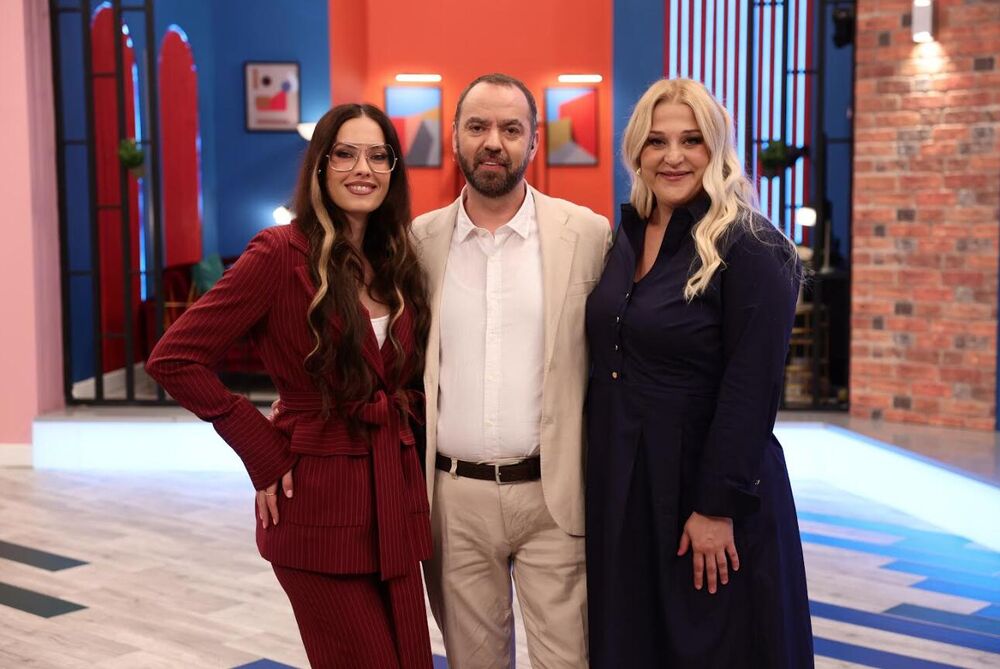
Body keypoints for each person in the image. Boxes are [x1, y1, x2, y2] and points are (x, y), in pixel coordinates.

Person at [145, 104, 434, 669]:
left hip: (394, 503)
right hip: (316, 506)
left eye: (378, 156)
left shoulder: (398, 259)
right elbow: (174, 358)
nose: (363, 169)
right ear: (320, 166)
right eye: (345, 154)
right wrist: (263, 450)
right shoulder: (279, 253)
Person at [584, 78, 814, 667]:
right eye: (656, 141)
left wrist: (717, 506)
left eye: (692, 140)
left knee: (712, 647)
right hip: (628, 485)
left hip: (705, 485)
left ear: (717, 148)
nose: (673, 156)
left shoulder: (753, 247)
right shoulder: (626, 235)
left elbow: (751, 390)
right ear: (636, 151)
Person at [411, 73, 611, 668]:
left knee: (568, 661)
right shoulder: (420, 240)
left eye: (510, 128)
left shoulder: (587, 234)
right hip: (455, 501)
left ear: (534, 141)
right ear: (455, 136)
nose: (493, 141)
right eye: (477, 127)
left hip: (556, 496)